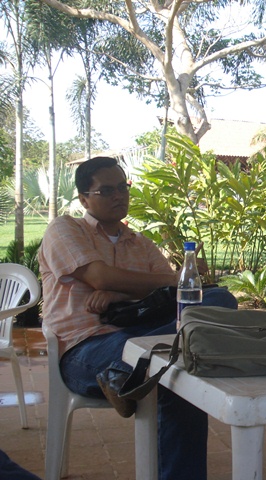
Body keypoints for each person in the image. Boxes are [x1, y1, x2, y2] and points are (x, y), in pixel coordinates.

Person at [38, 156, 238, 480]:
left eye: (123, 187)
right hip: (86, 349)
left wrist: (119, 294)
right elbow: (100, 277)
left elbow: (171, 295)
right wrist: (170, 280)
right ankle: (138, 366)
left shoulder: (140, 243)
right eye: (107, 191)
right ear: (84, 199)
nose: (119, 195)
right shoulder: (65, 229)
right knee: (175, 373)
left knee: (219, 300)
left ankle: (134, 370)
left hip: (143, 335)